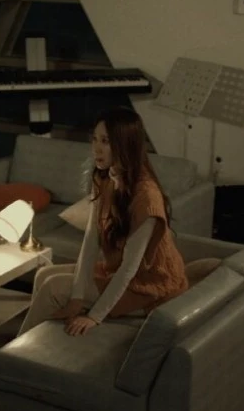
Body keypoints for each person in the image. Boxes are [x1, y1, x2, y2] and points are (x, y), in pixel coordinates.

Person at [18, 106, 188, 337]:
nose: (96, 148)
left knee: (53, 287)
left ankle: (14, 348)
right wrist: (77, 297)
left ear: (125, 145)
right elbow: (91, 240)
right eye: (95, 139)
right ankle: (38, 342)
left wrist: (94, 316)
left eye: (106, 141)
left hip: (148, 285)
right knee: (44, 275)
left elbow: (130, 268)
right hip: (117, 271)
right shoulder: (105, 177)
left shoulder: (146, 197)